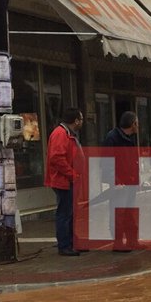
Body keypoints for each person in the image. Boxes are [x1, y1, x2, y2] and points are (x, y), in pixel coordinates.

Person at [45, 107, 85, 256]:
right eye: (80, 119)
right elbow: (57, 158)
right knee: (65, 213)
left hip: (70, 180)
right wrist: (72, 174)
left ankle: (72, 241)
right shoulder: (60, 134)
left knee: (71, 212)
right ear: (75, 121)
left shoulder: (69, 134)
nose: (82, 122)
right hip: (64, 181)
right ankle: (64, 245)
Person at [102, 111, 140, 251]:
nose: (138, 126)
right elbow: (107, 162)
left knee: (129, 212)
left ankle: (132, 240)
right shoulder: (113, 138)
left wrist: (137, 180)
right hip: (120, 184)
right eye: (137, 123)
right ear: (132, 124)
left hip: (130, 183)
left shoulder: (130, 139)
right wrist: (115, 181)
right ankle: (118, 242)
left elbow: (133, 161)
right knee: (118, 212)